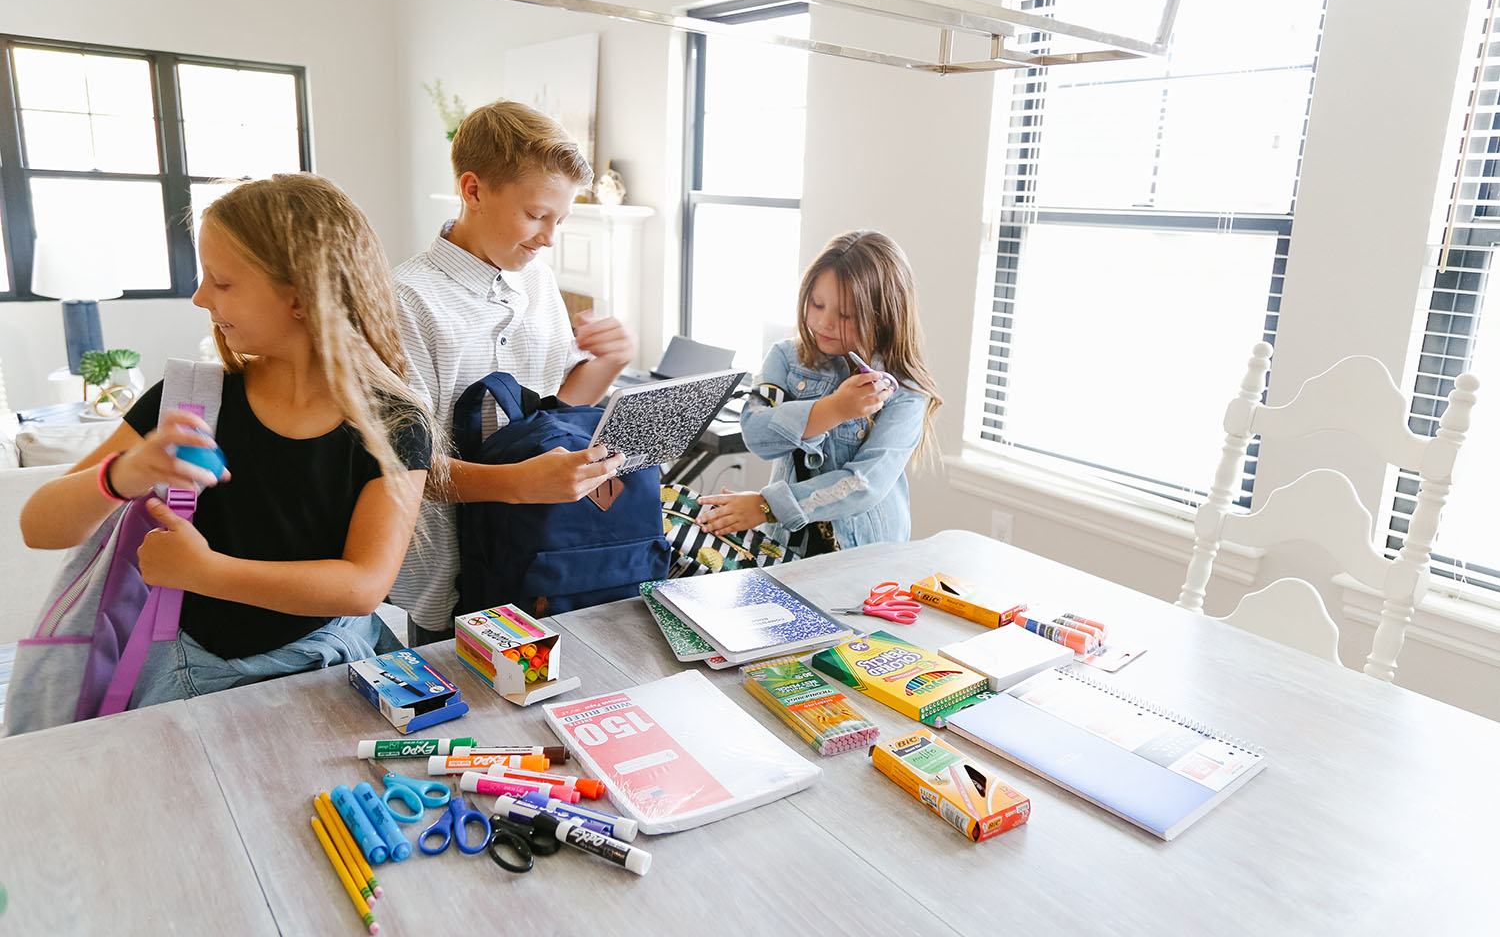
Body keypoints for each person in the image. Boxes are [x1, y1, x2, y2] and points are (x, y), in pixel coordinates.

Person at [18, 173, 435, 704]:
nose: (198, 297)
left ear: (302, 297)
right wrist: (123, 475)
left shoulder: (394, 425)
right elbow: (39, 526)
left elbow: (363, 586)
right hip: (186, 671)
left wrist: (205, 571)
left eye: (221, 281)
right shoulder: (187, 400)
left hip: (331, 664)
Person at [390, 100, 635, 643]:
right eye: (536, 215)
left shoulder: (539, 283)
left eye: (561, 219)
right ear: (473, 190)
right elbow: (402, 471)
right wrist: (518, 485)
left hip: (542, 559)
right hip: (450, 581)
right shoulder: (405, 299)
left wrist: (610, 363)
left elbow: (559, 408)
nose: (549, 237)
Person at [696, 230, 941, 553]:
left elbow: (863, 484)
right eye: (817, 304)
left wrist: (767, 506)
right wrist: (835, 409)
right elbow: (756, 434)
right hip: (785, 546)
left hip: (865, 556)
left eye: (845, 315)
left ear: (883, 316)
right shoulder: (784, 357)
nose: (824, 322)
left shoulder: (904, 392)